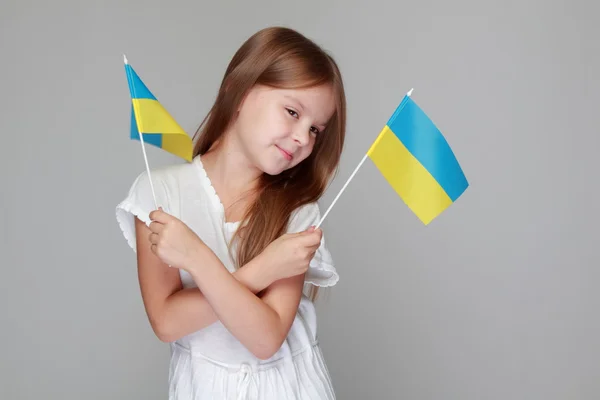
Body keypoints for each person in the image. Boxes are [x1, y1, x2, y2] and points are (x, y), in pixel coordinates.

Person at [115, 26, 346, 399]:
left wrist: (195, 256)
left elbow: (265, 337)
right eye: (292, 112)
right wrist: (263, 270)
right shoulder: (160, 194)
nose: (304, 138)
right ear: (239, 91)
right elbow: (166, 321)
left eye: (316, 129)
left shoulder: (298, 213)